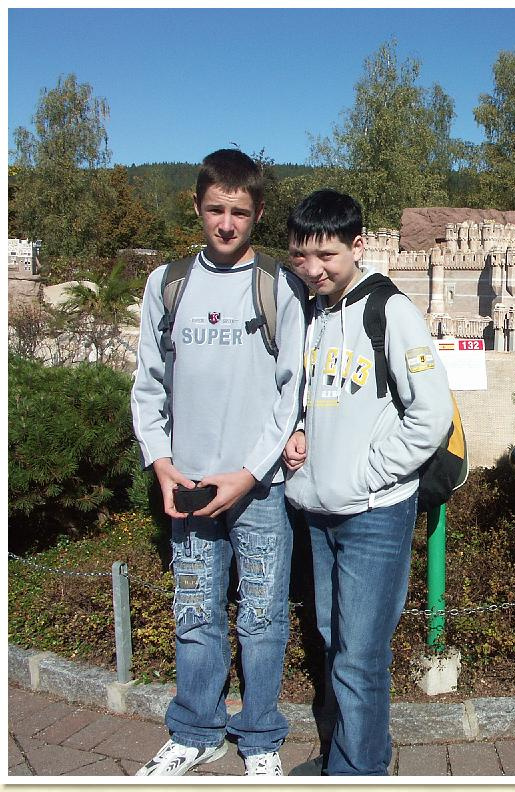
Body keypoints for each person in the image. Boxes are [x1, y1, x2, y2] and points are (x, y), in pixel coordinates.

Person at [131, 149, 307, 776]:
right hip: (190, 484)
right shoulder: (167, 283)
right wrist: (161, 462)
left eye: (239, 212)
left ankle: (259, 739)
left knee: (262, 618)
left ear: (258, 213)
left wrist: (252, 472)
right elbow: (148, 384)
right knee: (195, 613)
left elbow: (292, 389)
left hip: (258, 488)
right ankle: (196, 731)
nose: (226, 224)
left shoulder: (280, 285)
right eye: (215, 210)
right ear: (197, 207)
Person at [282, 189, 453, 776]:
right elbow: (310, 393)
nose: (313, 269)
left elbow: (431, 413)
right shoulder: (310, 312)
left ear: (358, 246)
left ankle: (358, 772)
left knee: (360, 656)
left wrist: (369, 473)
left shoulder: (389, 311)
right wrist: (299, 430)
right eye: (301, 256)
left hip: (374, 513)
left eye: (326, 255)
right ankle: (351, 756)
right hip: (319, 510)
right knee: (334, 640)